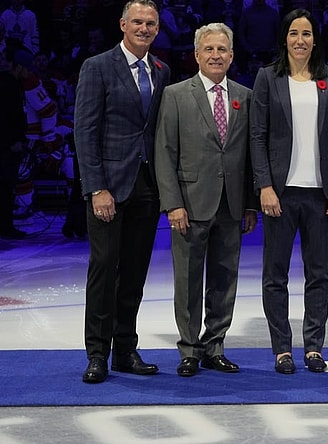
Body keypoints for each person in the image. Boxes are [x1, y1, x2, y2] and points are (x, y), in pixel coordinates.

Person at [74, 0, 171, 384]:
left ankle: (125, 350)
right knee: (104, 269)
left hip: (147, 187)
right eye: (137, 22)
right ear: (122, 25)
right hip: (108, 189)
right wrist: (96, 187)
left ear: (157, 29)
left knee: (134, 273)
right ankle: (96, 354)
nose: (144, 28)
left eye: (150, 23)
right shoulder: (97, 67)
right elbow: (85, 132)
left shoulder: (161, 71)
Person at [154, 22, 256, 377]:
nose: (216, 55)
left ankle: (215, 345)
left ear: (231, 55)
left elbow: (250, 155)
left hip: (231, 205)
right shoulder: (176, 95)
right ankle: (189, 350)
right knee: (187, 281)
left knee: (225, 279)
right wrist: (173, 204)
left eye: (222, 49)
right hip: (189, 204)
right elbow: (164, 152)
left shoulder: (246, 95)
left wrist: (250, 204)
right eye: (209, 49)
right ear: (196, 54)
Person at [250, 9, 328, 375]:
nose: (300, 40)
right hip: (280, 193)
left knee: (318, 274)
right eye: (294, 33)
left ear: (315, 39)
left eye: (307, 33)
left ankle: (313, 347)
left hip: (319, 195)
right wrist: (264, 185)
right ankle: (281, 348)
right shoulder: (267, 77)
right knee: (275, 275)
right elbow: (257, 136)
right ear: (284, 38)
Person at [0, 48, 26, 240]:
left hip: (8, 143)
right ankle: (6, 227)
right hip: (6, 146)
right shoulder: (8, 84)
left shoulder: (12, 83)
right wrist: (14, 141)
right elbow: (8, 117)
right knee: (5, 186)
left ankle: (6, 226)